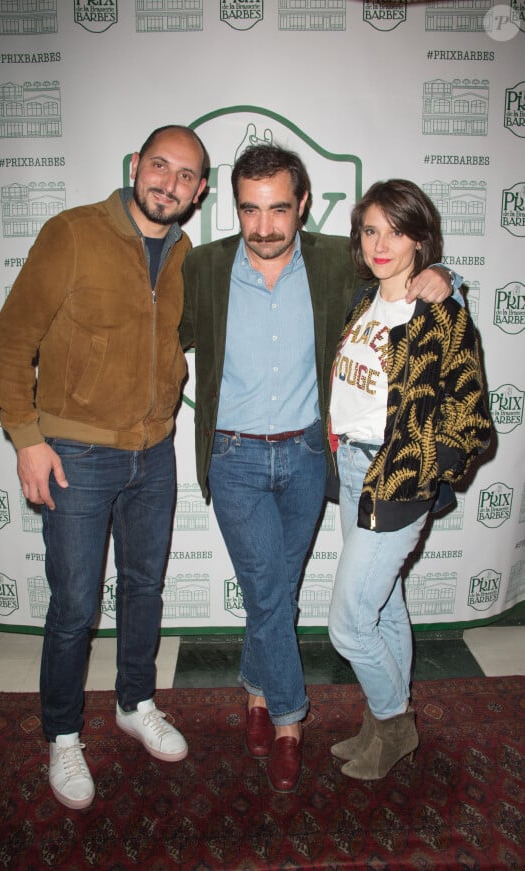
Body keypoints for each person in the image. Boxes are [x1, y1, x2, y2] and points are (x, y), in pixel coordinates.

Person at [180, 145, 457, 793]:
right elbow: (158, 336)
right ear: (235, 207)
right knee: (269, 590)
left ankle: (255, 687)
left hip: (310, 454)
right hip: (235, 454)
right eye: (251, 209)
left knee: (274, 584)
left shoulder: (338, 258)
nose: (266, 224)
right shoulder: (206, 267)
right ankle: (285, 718)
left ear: (302, 204)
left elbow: (405, 263)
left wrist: (446, 275)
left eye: (280, 207)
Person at [0, 125, 209, 810]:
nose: (168, 183)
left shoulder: (185, 254)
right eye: (160, 166)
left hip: (155, 452)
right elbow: (10, 338)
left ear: (199, 192)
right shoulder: (73, 233)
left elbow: (176, 339)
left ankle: (134, 700)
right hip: (75, 455)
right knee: (76, 605)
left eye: (184, 175)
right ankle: (62, 734)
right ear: (136, 165)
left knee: (145, 586)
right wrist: (27, 436)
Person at [326, 179, 491, 780]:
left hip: (395, 477)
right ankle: (381, 722)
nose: (381, 243)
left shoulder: (440, 310)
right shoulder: (363, 301)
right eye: (370, 230)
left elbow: (471, 417)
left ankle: (395, 725)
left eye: (396, 231)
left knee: (347, 623)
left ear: (421, 239)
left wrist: (423, 470)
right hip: (351, 469)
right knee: (385, 606)